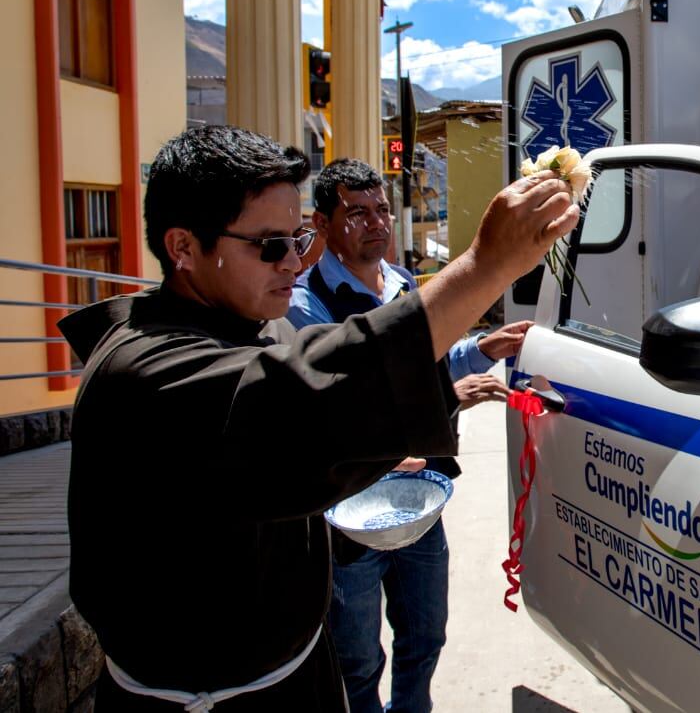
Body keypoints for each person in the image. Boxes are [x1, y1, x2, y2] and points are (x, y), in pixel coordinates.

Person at [58, 126, 576, 711]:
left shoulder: (248, 319)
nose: (294, 261)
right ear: (183, 247)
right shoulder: (148, 371)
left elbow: (348, 394)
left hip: (296, 673)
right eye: (269, 245)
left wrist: (450, 386)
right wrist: (486, 266)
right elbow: (308, 402)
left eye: (297, 238)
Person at [287, 158, 529, 712]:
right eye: (356, 213)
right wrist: (448, 396)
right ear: (322, 226)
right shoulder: (307, 306)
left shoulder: (401, 284)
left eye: (381, 211)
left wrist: (479, 350)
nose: (375, 223)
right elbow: (348, 401)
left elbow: (428, 361)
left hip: (421, 500)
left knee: (425, 637)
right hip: (353, 515)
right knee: (358, 658)